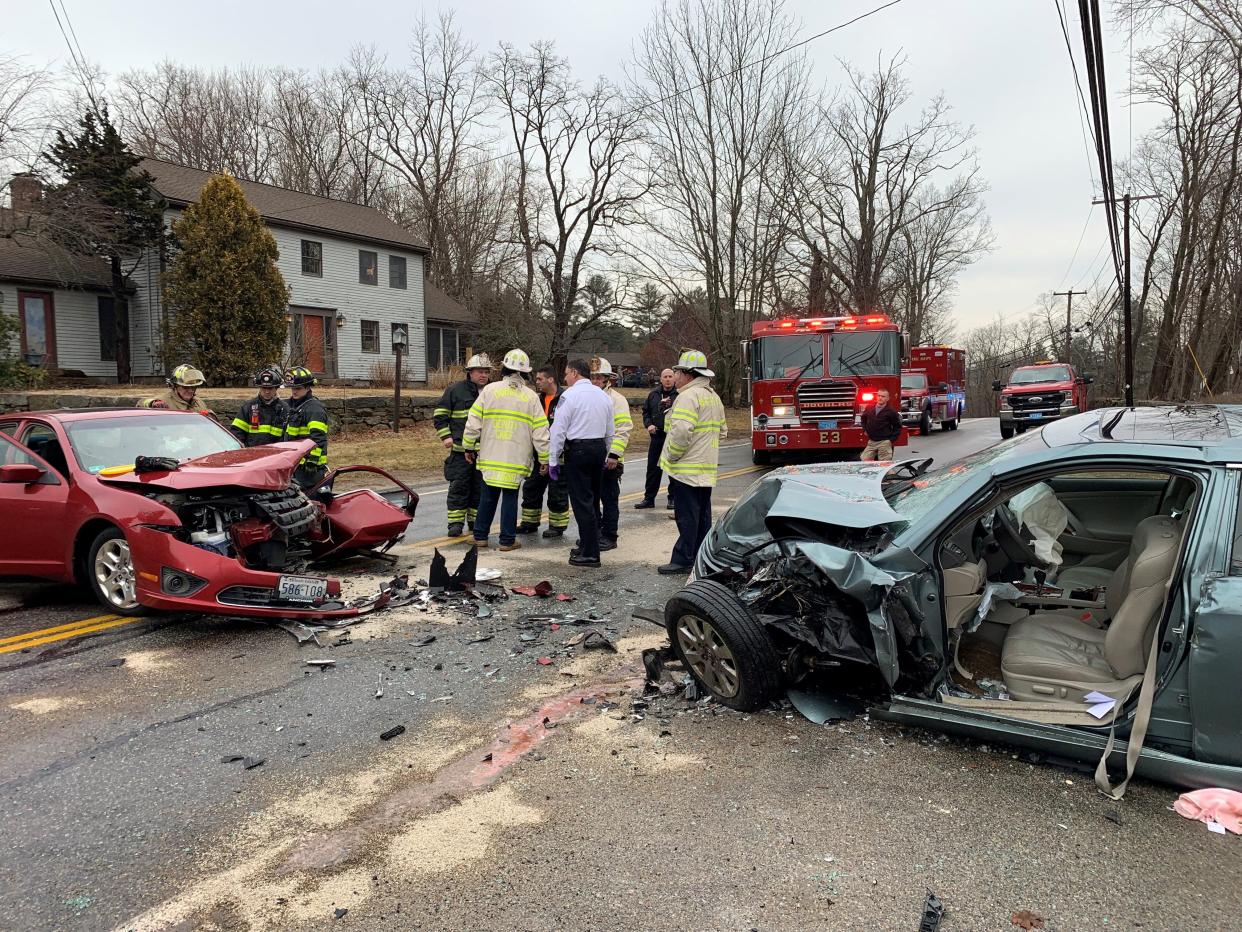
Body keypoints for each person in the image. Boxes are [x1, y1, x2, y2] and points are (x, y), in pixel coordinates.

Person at [462, 349, 549, 551]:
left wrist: (469, 446)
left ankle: (480, 536)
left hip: (491, 456)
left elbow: (473, 422)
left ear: (504, 368)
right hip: (516, 459)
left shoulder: (489, 391)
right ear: (526, 372)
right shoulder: (531, 397)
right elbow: (541, 432)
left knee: (488, 496)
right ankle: (507, 540)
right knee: (510, 498)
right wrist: (544, 458)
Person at [658, 349, 727, 575]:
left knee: (687, 517)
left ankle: (683, 559)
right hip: (705, 469)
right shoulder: (712, 396)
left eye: (677, 372)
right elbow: (723, 432)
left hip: (686, 470)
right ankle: (701, 557)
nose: (675, 377)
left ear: (688, 374)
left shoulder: (688, 397)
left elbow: (680, 433)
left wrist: (672, 456)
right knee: (702, 517)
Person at [548, 358, 614, 568]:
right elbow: (610, 430)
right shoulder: (603, 396)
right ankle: (588, 543)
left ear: (575, 373)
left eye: (567, 373)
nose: (565, 378)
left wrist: (553, 460)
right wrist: (605, 455)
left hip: (578, 451)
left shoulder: (569, 395)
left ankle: (590, 553)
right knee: (593, 501)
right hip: (598, 449)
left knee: (581, 503)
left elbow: (558, 430)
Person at [434, 354, 491, 537]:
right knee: (458, 487)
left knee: (479, 488)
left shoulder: (492, 392)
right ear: (470, 372)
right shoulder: (455, 391)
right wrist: (446, 437)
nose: (483, 375)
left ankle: (475, 522)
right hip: (459, 451)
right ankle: (455, 524)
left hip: (484, 452)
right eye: (480, 371)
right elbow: (440, 415)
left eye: (486, 372)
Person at [517, 365, 570, 538]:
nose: (537, 382)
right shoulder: (536, 400)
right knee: (531, 488)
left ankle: (557, 525)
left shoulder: (565, 399)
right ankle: (529, 523)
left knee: (557, 490)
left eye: (540, 379)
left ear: (551, 379)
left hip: (559, 454)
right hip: (538, 453)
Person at [589, 357, 633, 551]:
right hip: (589, 458)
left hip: (609, 460)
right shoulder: (584, 397)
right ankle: (593, 534)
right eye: (592, 377)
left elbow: (623, 429)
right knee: (590, 501)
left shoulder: (617, 400)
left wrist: (614, 454)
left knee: (609, 500)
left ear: (608, 379)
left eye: (599, 377)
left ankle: (609, 536)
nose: (596, 380)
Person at [634, 367, 677, 511]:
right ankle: (649, 498)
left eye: (670, 376)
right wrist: (649, 425)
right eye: (665, 377)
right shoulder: (653, 394)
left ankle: (673, 499)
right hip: (657, 435)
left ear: (674, 378)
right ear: (661, 379)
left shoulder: (680, 395)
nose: (668, 379)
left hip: (672, 436)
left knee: (672, 469)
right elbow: (646, 412)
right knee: (653, 469)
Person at [282, 366, 329, 490]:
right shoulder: (290, 406)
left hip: (309, 469)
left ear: (308, 388)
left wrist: (312, 461)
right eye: (292, 388)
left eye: (298, 388)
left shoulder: (314, 409)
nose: (294, 392)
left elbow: (318, 437)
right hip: (294, 465)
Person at [229, 365, 288, 446]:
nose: (267, 391)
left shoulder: (285, 409)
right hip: (253, 455)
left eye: (270, 388)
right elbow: (237, 433)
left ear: (276, 388)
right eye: (264, 388)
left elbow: (289, 437)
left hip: (276, 456)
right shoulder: (248, 407)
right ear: (259, 387)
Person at [139, 364, 209, 412]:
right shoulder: (164, 401)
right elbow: (140, 404)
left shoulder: (199, 402)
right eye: (185, 387)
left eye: (193, 387)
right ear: (175, 386)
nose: (190, 390)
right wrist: (152, 403)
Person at [860, 388, 902, 461]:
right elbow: (863, 420)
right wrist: (865, 430)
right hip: (872, 441)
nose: (880, 398)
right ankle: (873, 472)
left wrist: (890, 440)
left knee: (884, 464)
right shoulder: (869, 408)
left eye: (883, 396)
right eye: (879, 395)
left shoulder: (891, 412)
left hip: (884, 442)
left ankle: (890, 473)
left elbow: (897, 427)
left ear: (888, 398)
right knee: (864, 460)